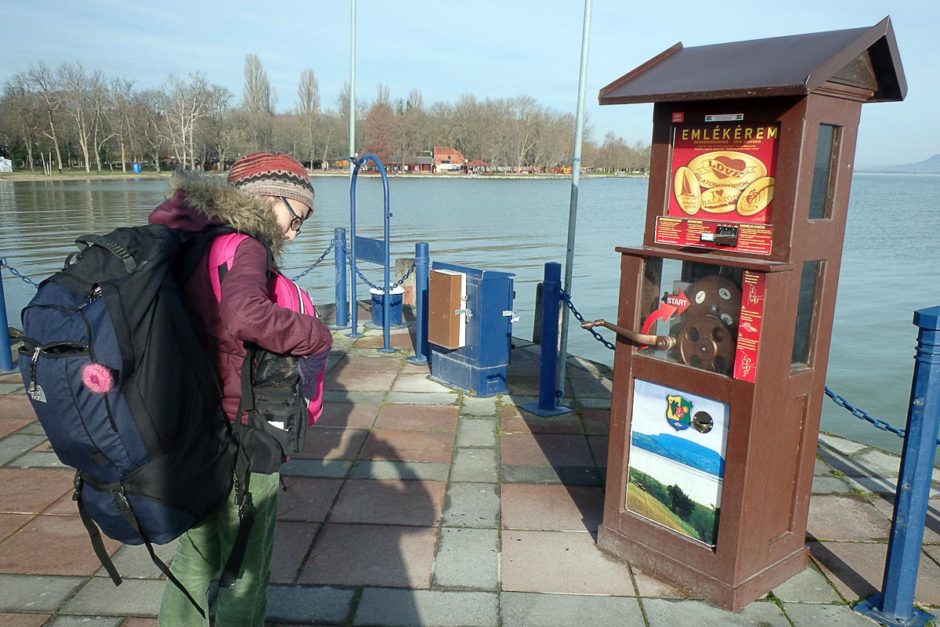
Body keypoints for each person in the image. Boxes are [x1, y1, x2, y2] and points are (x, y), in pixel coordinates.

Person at [149, 152, 333, 626]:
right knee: (246, 569)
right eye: (298, 215)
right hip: (243, 430)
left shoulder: (197, 238)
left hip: (194, 421)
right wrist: (316, 334)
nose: (295, 230)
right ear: (270, 199)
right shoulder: (245, 245)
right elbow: (245, 316)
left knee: (196, 555)